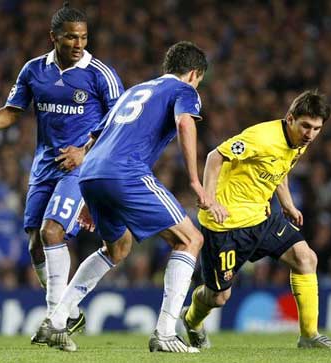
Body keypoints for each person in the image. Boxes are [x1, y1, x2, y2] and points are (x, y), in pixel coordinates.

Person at [0, 2, 124, 344]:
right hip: (44, 166)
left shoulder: (100, 74)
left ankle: (54, 321)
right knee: (35, 245)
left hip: (81, 169)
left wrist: (84, 153)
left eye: (84, 38)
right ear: (54, 37)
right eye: (71, 38)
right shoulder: (34, 71)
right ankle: (68, 313)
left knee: (52, 231)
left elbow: (118, 123)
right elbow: (14, 111)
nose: (78, 44)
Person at [40, 41, 209, 353]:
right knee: (190, 240)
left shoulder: (135, 91)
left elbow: (97, 138)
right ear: (194, 73)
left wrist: (91, 196)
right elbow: (186, 122)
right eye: (198, 79)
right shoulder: (185, 90)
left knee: (118, 248)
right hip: (125, 171)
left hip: (91, 173)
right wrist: (195, 181)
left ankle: (57, 319)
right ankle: (166, 332)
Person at [181, 90, 331, 349]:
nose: (310, 134)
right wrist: (210, 199)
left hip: (261, 218)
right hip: (226, 224)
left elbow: (278, 169)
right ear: (290, 119)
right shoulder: (261, 137)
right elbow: (215, 156)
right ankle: (191, 320)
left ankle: (309, 336)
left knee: (305, 258)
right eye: (306, 126)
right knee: (219, 297)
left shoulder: (299, 142)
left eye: (317, 128)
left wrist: (286, 203)